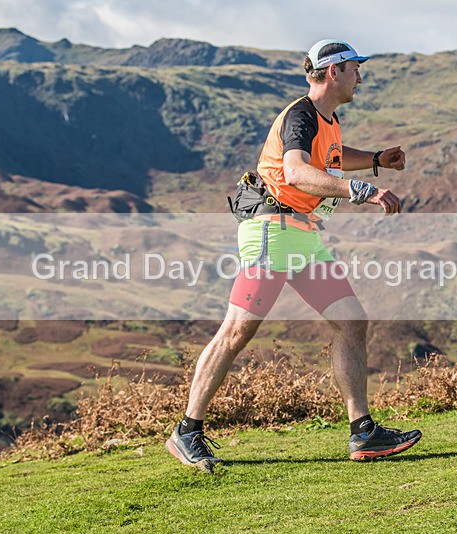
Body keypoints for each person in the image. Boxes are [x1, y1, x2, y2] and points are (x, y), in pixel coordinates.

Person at [166, 39, 421, 468]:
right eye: (355, 68)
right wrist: (364, 191)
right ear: (333, 71)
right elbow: (297, 171)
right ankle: (186, 431)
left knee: (352, 321)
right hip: (272, 231)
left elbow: (333, 160)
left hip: (301, 236)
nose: (361, 76)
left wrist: (376, 159)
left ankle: (364, 433)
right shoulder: (301, 115)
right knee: (237, 332)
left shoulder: (328, 119)